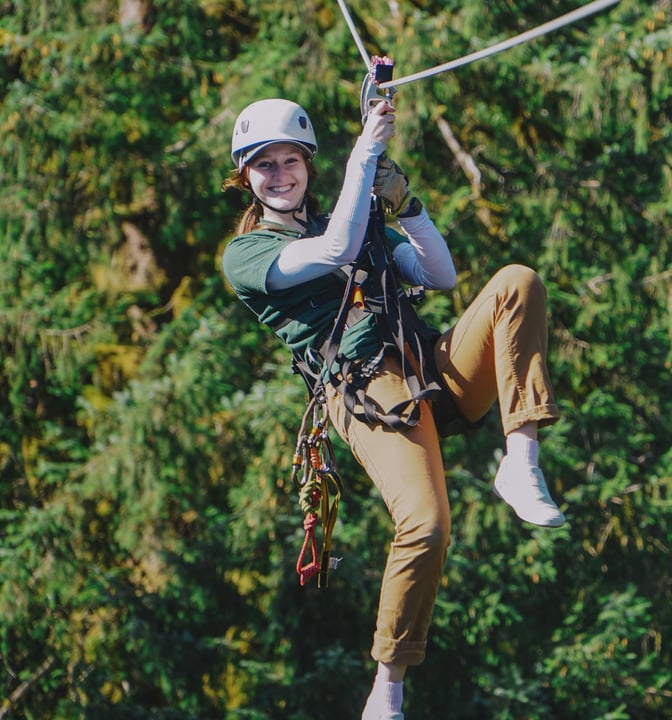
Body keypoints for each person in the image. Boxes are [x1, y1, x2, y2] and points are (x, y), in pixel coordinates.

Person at [220, 96, 566, 720]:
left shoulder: (353, 221)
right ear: (246, 177)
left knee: (517, 282)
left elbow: (440, 275)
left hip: (425, 364)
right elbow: (333, 250)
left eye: (290, 161)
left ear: (307, 165)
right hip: (366, 389)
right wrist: (366, 152)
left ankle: (521, 459)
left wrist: (407, 206)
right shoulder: (247, 256)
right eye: (264, 165)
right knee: (426, 525)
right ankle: (388, 688)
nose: (279, 174)